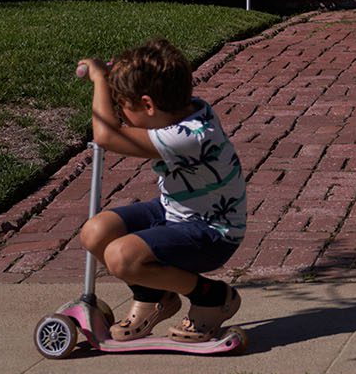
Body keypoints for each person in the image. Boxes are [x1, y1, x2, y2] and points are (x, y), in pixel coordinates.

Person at [75, 38, 246, 342]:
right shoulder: (187, 109)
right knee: (95, 231)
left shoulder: (188, 136)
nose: (121, 116)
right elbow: (116, 128)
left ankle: (212, 297)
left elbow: (105, 134)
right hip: (175, 211)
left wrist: (100, 79)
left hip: (212, 233)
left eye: (123, 107)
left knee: (121, 257)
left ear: (148, 105)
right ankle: (155, 296)